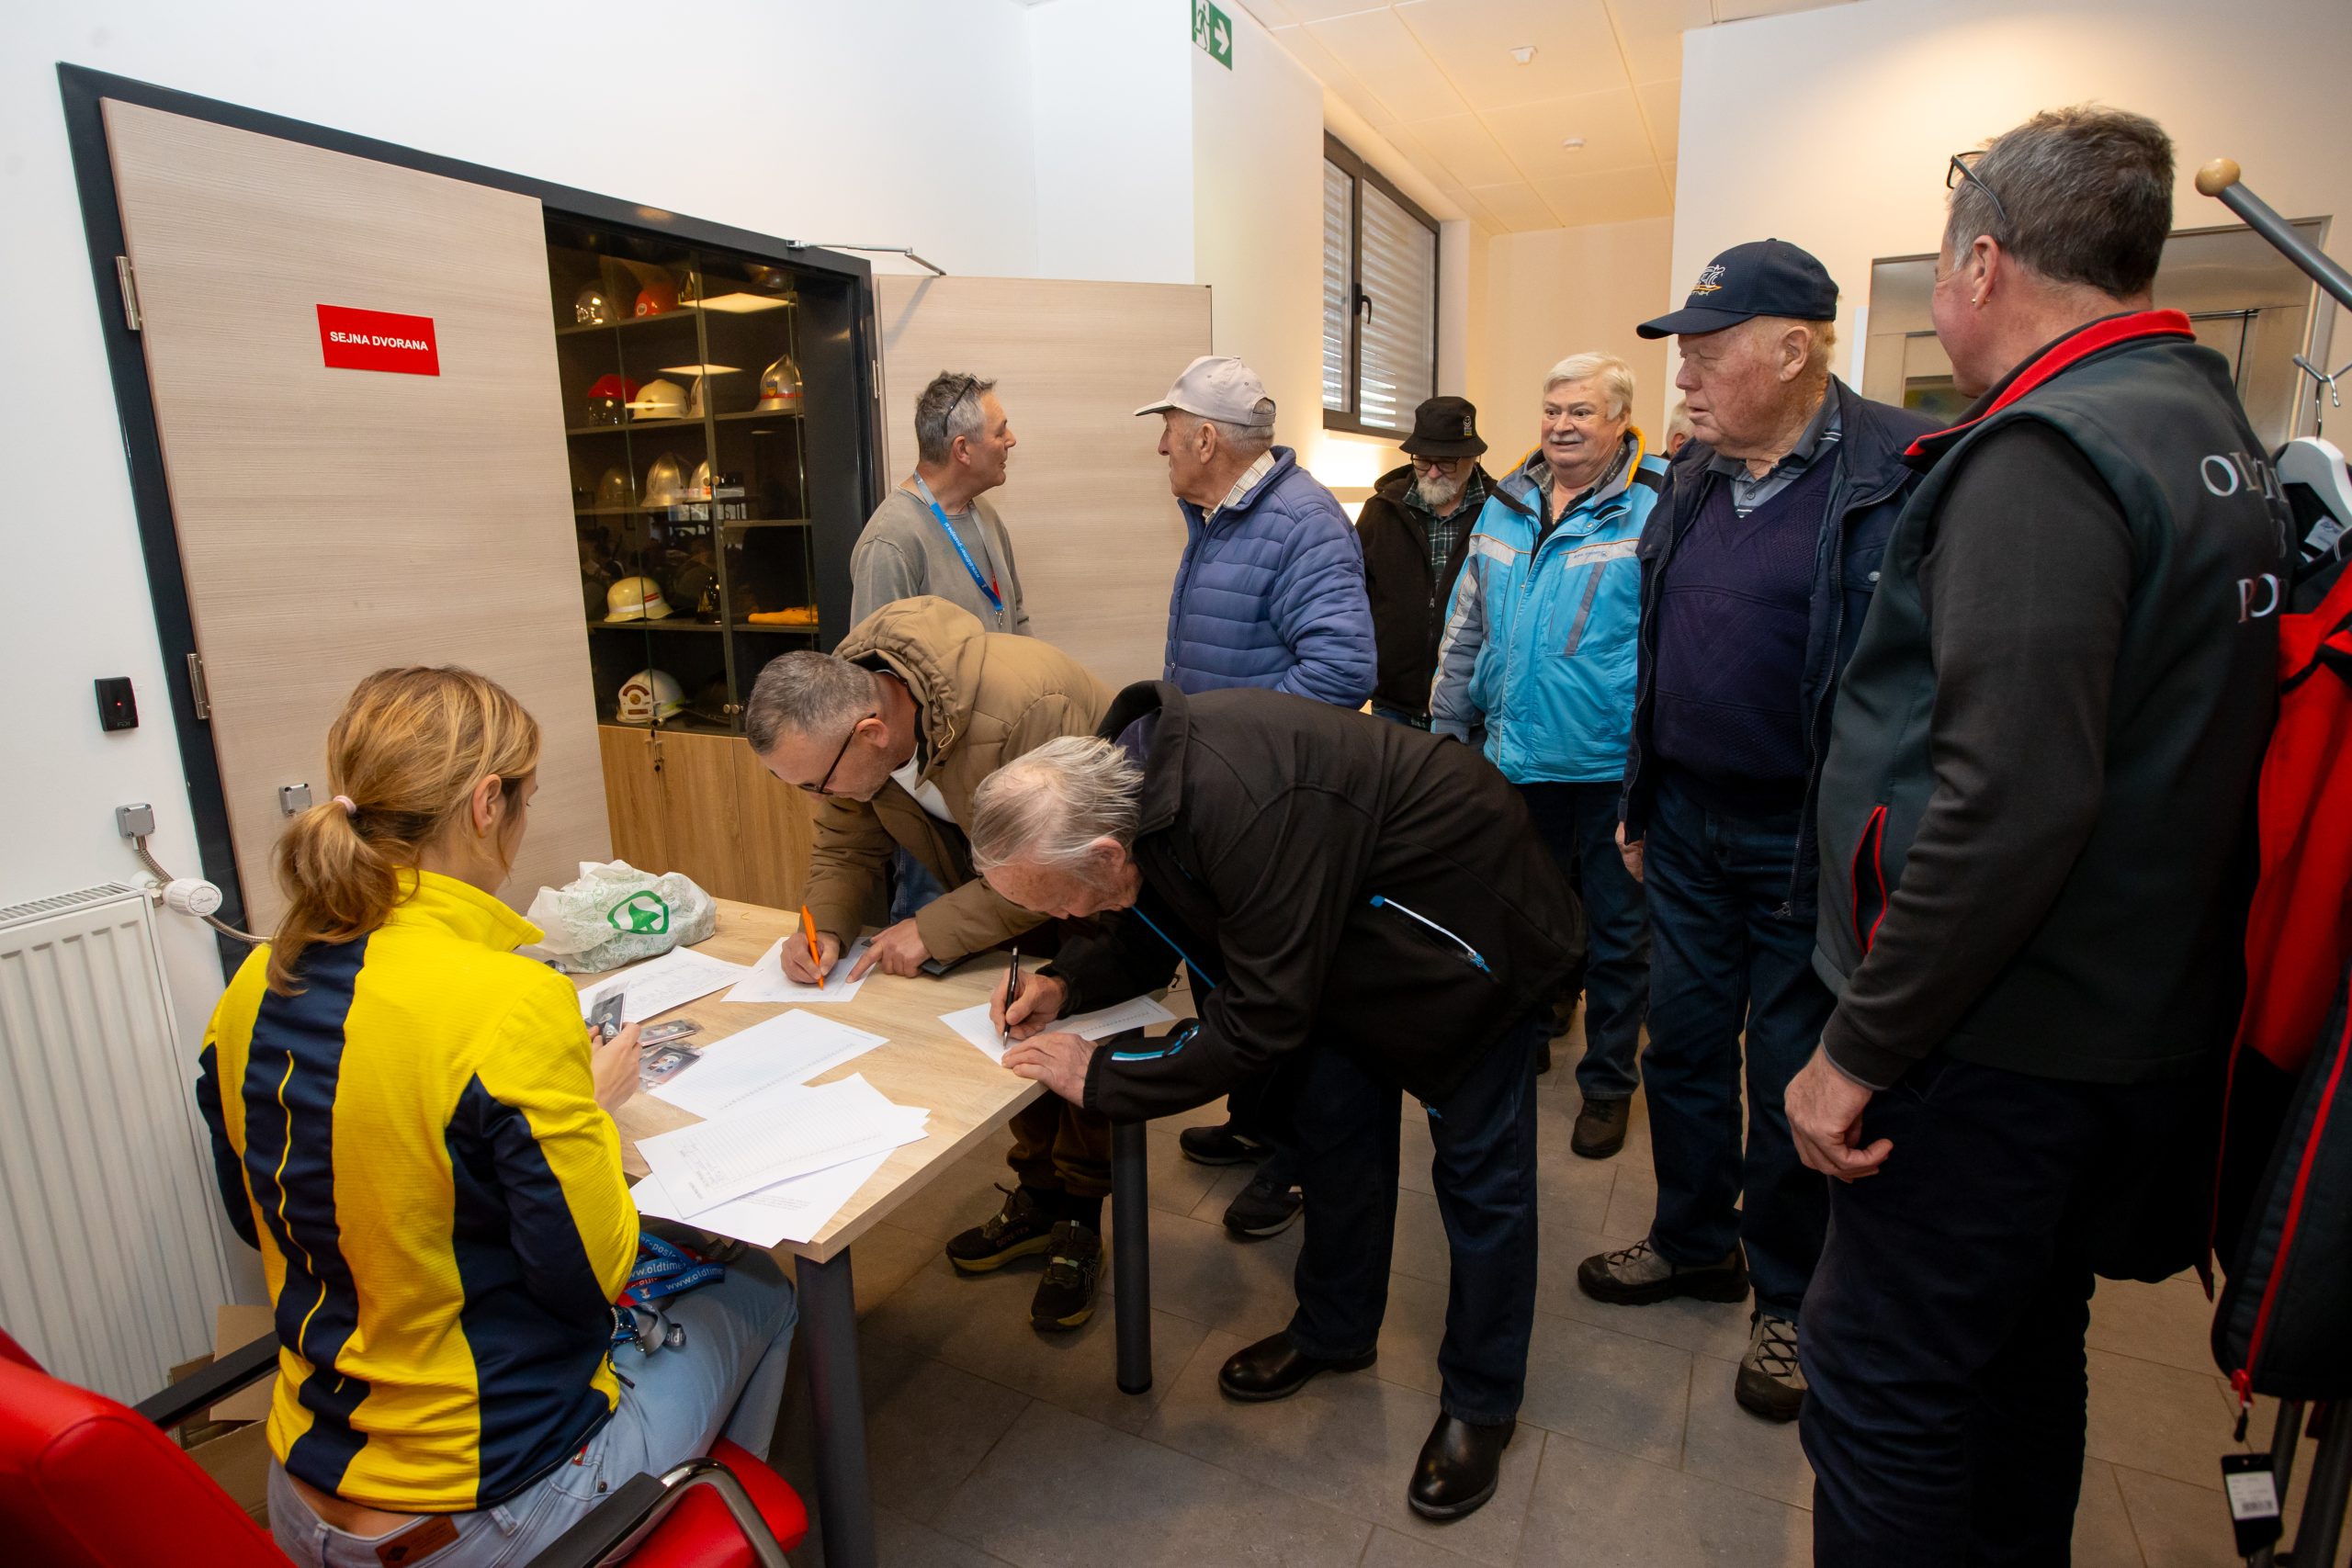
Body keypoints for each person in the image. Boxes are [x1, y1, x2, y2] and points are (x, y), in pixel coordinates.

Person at [1788, 108, 2287, 1561]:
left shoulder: (2044, 452)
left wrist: (1857, 1049)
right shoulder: (2205, 426)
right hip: (2119, 1024)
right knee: (2013, 1362)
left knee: (1882, 1387)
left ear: (1984, 263)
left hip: (1992, 1045)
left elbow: (2010, 801)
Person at [195, 667, 797, 1568]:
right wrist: (586, 1109)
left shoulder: (252, 983)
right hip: (489, 1512)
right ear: (486, 804)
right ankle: (675, 1527)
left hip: (303, 1490)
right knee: (759, 1293)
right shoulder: (508, 1003)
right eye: (525, 800)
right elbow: (590, 1276)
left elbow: (260, 1215)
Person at [968, 683, 1581, 1521]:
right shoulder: (1131, 793)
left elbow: (1259, 1019)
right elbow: (1153, 919)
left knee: (1482, 1179)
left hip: (1463, 929)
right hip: (1343, 939)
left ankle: (1482, 1401)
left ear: (1106, 853)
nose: (1061, 915)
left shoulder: (1240, 806)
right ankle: (1335, 1329)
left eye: (1055, 901)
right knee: (1336, 1136)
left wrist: (1105, 1075)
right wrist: (1066, 981)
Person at [1583, 241, 1933, 1425]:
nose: (1682, 380)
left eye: (1705, 355)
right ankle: (1693, 1243)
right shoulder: (1689, 474)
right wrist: (1639, 801)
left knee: (1789, 1070)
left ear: (1791, 351)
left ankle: (1788, 1298)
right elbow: (1660, 656)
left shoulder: (1902, 472)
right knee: (1679, 1048)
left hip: (1805, 838)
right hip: (1685, 820)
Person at [744, 598, 1114, 1331]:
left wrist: (934, 927)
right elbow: (845, 844)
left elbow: (1057, 860)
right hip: (1000, 884)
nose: (816, 797)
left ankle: (1081, 1215)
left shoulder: (1025, 708)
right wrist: (823, 928)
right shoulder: (848, 719)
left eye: (815, 783)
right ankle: (1039, 1196)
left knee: (1078, 1036)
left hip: (1086, 884)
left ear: (872, 732)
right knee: (1011, 1028)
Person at [1136, 354, 1377, 1239]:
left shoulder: (1302, 523)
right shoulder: (1218, 518)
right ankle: (1256, 1121)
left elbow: (1343, 669)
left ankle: (1296, 1161)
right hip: (1218, 801)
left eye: (1169, 430)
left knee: (1273, 993)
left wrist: (1231, 743)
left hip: (1268, 808)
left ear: (1206, 438)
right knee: (1225, 981)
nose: (1161, 446)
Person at [1431, 354, 1663, 1161]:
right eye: (1553, 409)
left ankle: (1608, 1083)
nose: (1562, 426)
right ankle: (1527, 1035)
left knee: (1619, 934)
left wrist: (1658, 759)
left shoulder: (1657, 503)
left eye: (1581, 411)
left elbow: (1672, 643)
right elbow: (1467, 624)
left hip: (1609, 768)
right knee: (1523, 917)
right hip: (1515, 760)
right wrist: (1446, 727)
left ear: (1621, 421)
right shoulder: (1506, 500)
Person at [851, 370, 1030, 634]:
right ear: (962, 449)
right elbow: (877, 655)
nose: (1011, 440)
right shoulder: (889, 542)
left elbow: (1016, 614)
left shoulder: (986, 514)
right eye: (1000, 432)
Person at [1356, 395, 1493, 728]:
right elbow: (1353, 595)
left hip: (1472, 709)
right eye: (1423, 460)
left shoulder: (1500, 514)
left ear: (1472, 457)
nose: (1432, 472)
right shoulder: (1381, 510)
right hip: (1392, 702)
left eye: (1445, 462)